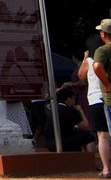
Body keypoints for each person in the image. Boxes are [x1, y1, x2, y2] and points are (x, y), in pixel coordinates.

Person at [90, 20, 111, 177]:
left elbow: (97, 67)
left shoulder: (102, 51)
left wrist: (107, 84)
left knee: (103, 135)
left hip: (104, 98)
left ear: (103, 34)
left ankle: (106, 169)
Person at [49, 86, 96, 152]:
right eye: (73, 99)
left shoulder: (52, 109)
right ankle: (91, 158)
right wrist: (80, 110)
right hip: (61, 143)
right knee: (89, 136)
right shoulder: (70, 110)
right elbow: (86, 126)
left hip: (49, 142)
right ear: (68, 99)